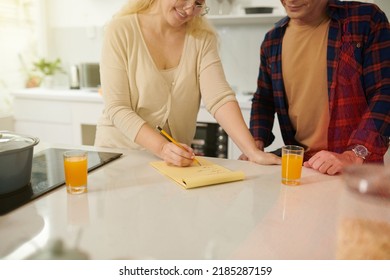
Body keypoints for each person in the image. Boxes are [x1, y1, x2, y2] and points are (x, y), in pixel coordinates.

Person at [94, 0, 281, 167]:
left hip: (172, 160)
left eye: (199, 3)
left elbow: (220, 97)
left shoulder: (201, 38)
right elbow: (117, 107)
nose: (190, 8)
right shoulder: (121, 30)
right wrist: (162, 147)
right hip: (119, 156)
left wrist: (252, 152)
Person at [242, 0, 389, 175]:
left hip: (355, 169)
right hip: (303, 166)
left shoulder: (365, 20)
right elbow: (264, 100)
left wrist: (354, 154)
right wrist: (255, 145)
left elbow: (384, 92)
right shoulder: (272, 41)